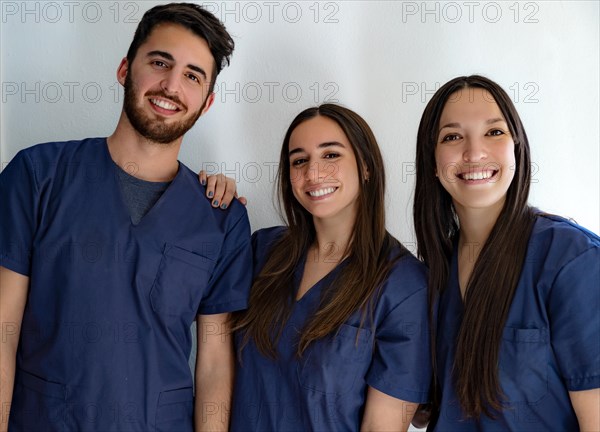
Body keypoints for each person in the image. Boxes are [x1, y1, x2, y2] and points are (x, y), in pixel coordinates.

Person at [0, 3, 251, 431]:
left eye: (192, 75)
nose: (171, 86)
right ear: (124, 69)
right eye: (159, 62)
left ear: (206, 103)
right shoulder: (37, 177)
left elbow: (212, 365)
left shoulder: (220, 220)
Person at [223, 104, 431, 431]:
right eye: (299, 160)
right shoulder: (261, 251)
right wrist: (208, 198)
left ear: (365, 165)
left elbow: (382, 425)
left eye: (331, 155)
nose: (313, 173)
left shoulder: (404, 286)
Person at [412, 75, 600, 430]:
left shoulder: (571, 260)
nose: (474, 152)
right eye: (452, 136)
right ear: (432, 162)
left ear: (517, 146)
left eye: (493, 132)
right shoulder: (432, 276)